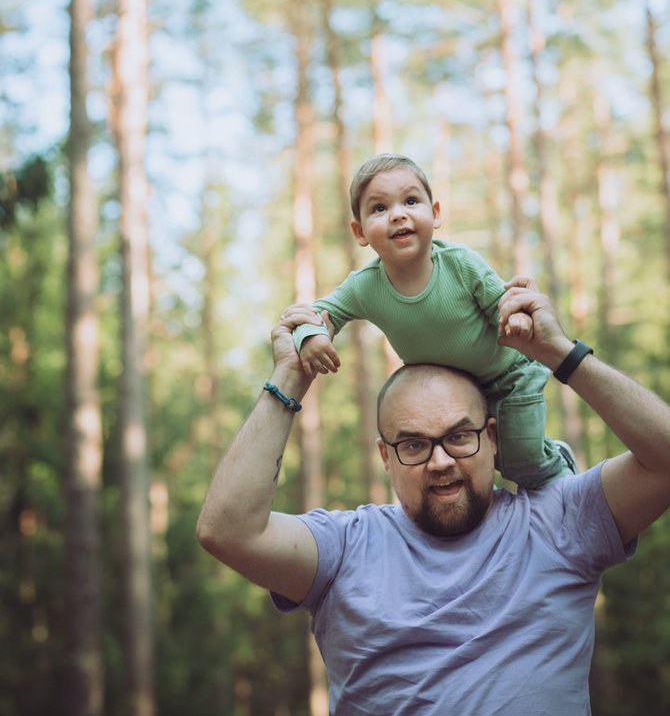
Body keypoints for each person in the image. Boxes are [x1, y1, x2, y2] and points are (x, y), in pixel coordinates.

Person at [197, 279, 670, 714]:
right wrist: (289, 376)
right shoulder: (344, 547)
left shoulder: (561, 519)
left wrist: (560, 353)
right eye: (414, 444)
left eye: (459, 436)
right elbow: (228, 531)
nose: (440, 461)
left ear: (492, 436)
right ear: (385, 456)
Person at [292, 153, 573, 489]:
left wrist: (518, 321)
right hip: (452, 399)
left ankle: (566, 479)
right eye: (379, 208)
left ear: (435, 213)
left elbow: (505, 304)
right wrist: (313, 337)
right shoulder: (365, 286)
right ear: (360, 231)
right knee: (476, 467)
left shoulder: (460, 264)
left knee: (521, 464)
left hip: (510, 377)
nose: (398, 214)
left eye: (411, 201)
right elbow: (318, 314)